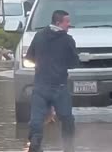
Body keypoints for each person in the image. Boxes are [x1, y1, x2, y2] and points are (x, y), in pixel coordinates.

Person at [25, 10, 79, 152]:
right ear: (58, 23)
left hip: (40, 86)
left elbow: (30, 57)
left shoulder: (39, 36)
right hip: (59, 87)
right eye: (67, 22)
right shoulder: (68, 40)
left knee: (36, 120)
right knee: (67, 119)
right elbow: (74, 63)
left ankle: (35, 144)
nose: (69, 24)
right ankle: (68, 147)